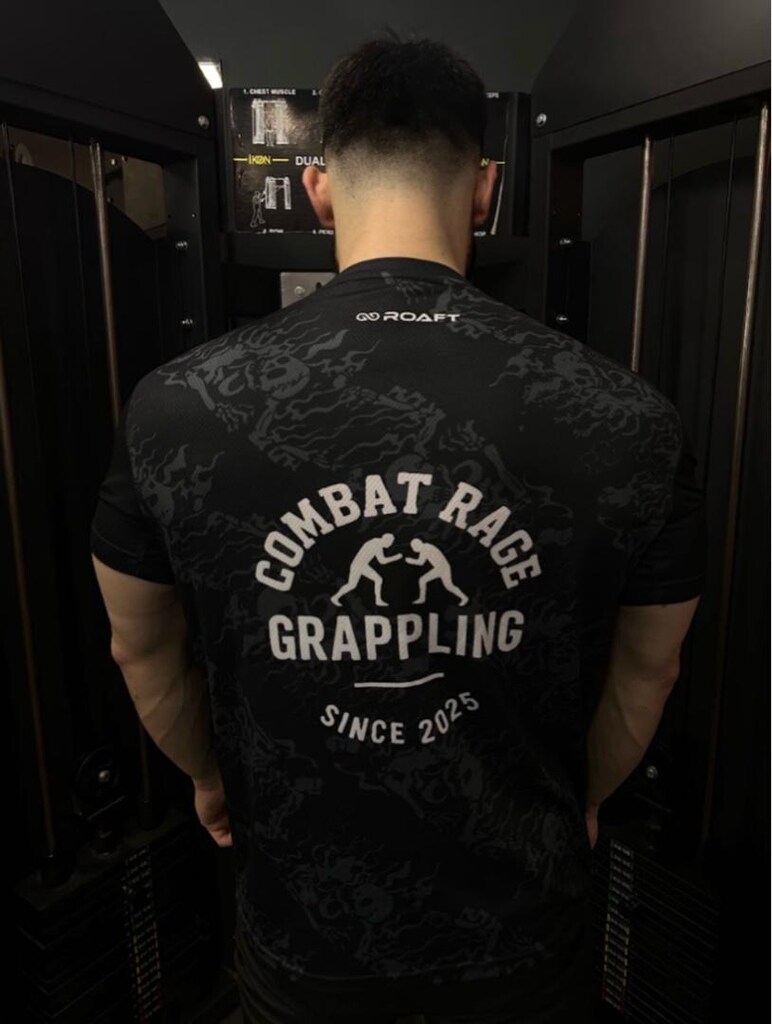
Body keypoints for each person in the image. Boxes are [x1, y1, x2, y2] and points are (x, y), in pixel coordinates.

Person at [90, 35, 707, 1024]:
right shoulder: (629, 416)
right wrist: (571, 799)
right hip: (524, 950)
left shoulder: (175, 404)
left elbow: (140, 645)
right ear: (486, 189)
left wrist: (212, 775)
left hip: (302, 952)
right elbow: (650, 672)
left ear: (318, 189)